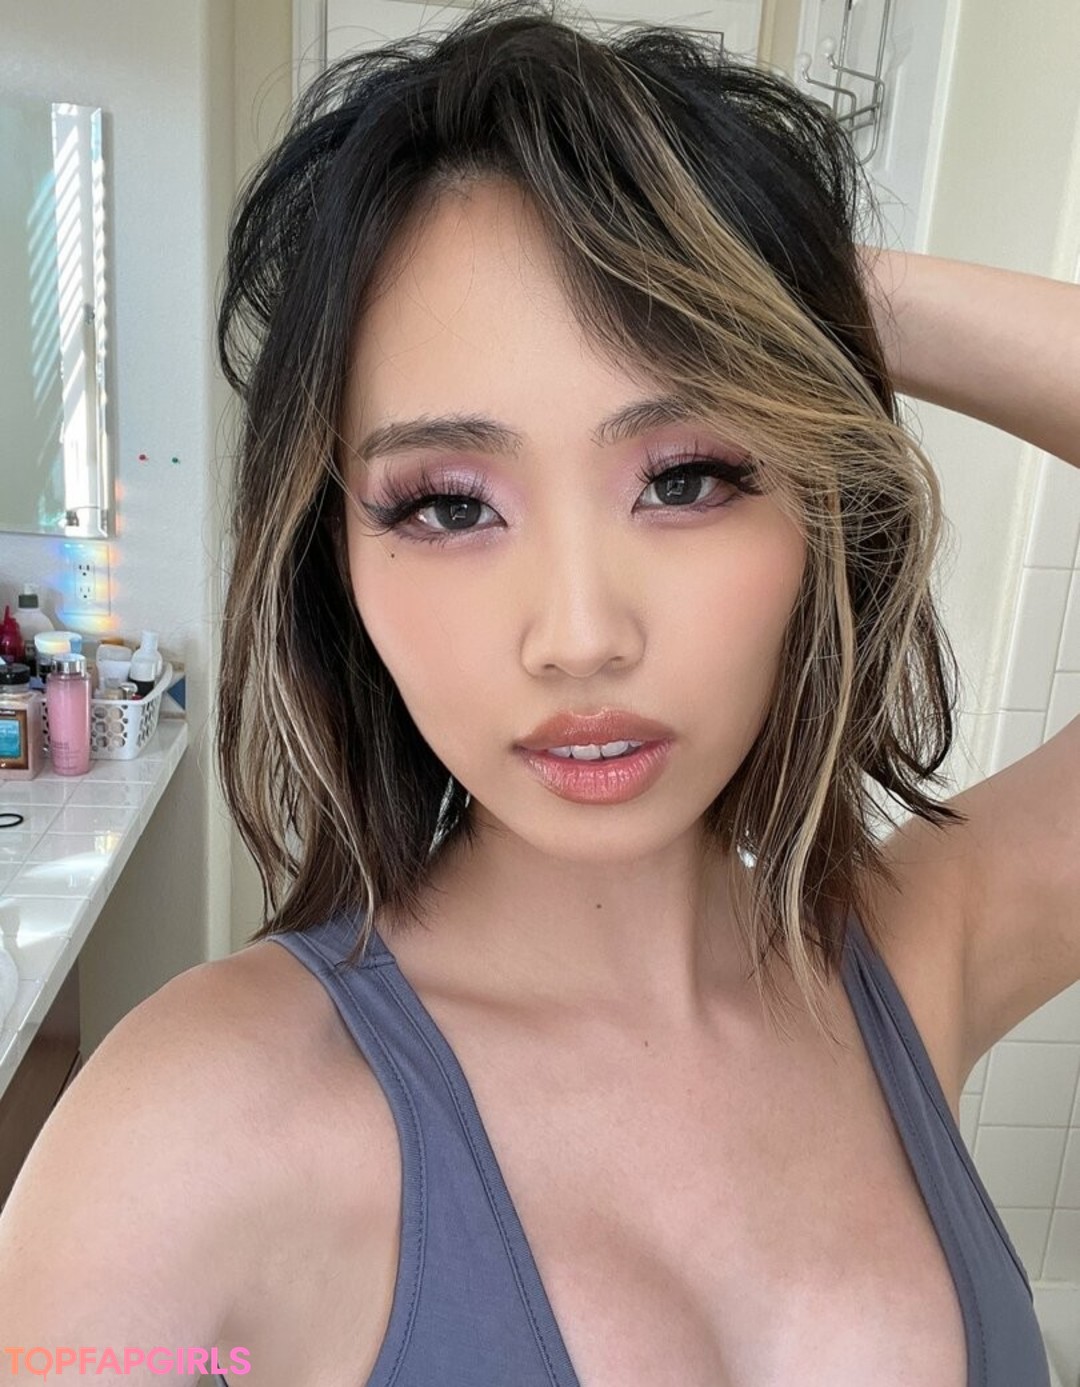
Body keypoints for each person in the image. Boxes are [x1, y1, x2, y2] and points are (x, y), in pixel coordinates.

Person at [2, 2, 1077, 1384]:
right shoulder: (186, 1134)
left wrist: (780, 280)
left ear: (817, 517)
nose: (578, 637)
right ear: (340, 563)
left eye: (686, 477)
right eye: (449, 505)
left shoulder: (915, 958)